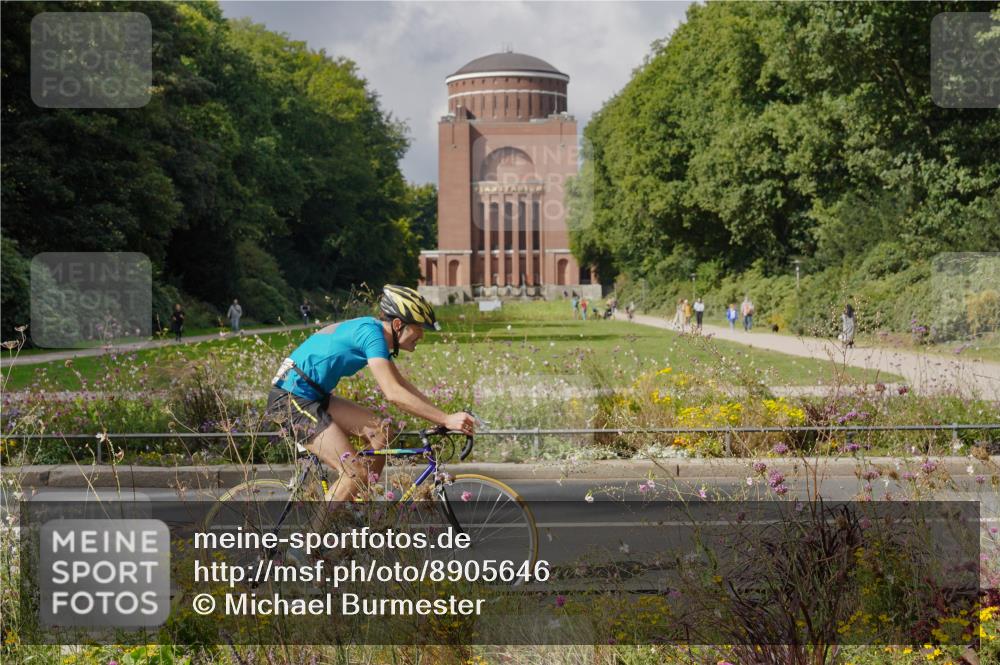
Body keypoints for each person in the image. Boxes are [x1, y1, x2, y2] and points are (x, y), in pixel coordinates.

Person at [265, 285, 474, 503]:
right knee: (354, 473)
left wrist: (443, 417)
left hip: (314, 397)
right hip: (289, 399)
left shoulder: (375, 334)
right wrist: (446, 419)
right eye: (418, 327)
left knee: (382, 432)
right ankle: (321, 526)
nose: (421, 334)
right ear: (397, 325)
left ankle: (359, 507)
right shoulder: (371, 335)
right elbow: (393, 393)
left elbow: (402, 385)